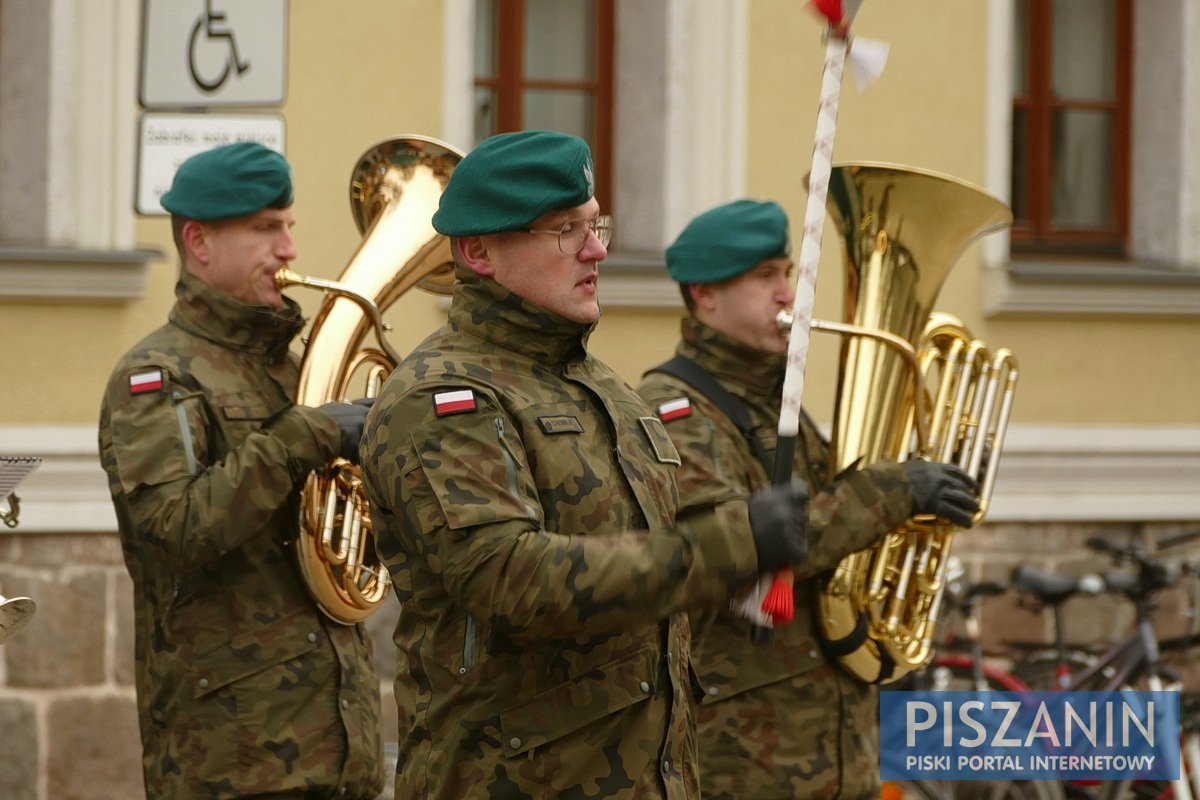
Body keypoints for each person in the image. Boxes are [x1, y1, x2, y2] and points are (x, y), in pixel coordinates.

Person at [358, 130, 811, 800]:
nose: (596, 248)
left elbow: (659, 545)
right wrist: (733, 541)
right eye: (565, 230)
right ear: (478, 250)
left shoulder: (608, 389)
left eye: (594, 223)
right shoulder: (444, 399)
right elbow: (512, 579)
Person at [637, 199, 980, 800]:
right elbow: (742, 547)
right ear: (704, 295)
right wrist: (895, 489)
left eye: (788, 272)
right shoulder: (679, 410)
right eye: (764, 276)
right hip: (745, 760)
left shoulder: (778, 403)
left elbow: (835, 541)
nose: (786, 292)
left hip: (840, 748)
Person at [98, 141, 384, 800]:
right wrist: (310, 434)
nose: (287, 249)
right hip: (233, 762)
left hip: (342, 752)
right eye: (264, 229)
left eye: (288, 227)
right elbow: (173, 531)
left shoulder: (295, 368)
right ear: (199, 242)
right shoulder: (157, 378)